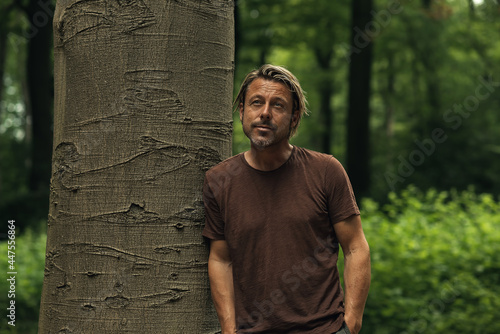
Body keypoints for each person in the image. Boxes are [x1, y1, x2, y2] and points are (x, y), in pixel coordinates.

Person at [202, 64, 371, 334]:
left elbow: (355, 247)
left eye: (278, 105)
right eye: (256, 103)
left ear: (294, 118)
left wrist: (351, 324)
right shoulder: (219, 181)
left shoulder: (326, 171)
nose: (265, 113)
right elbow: (221, 260)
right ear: (242, 110)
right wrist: (229, 330)